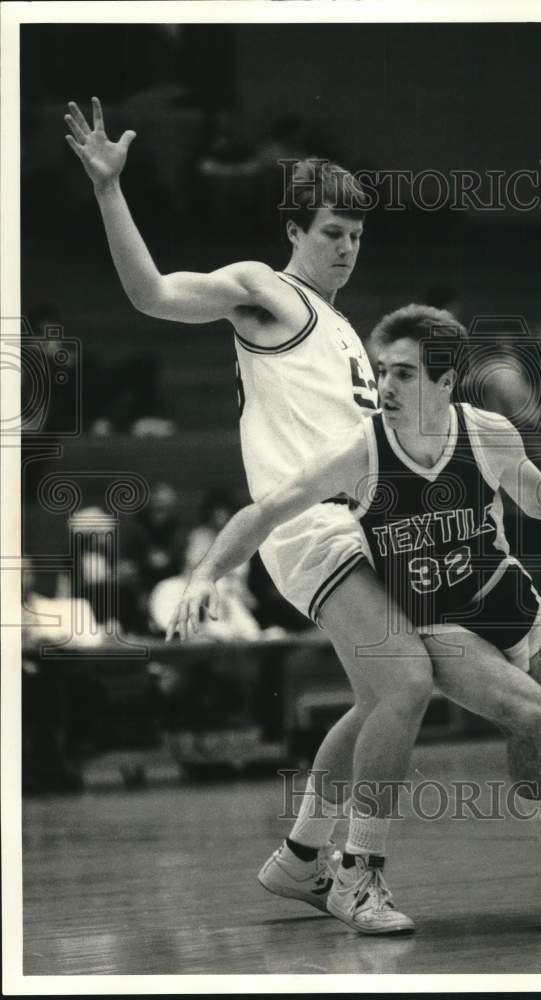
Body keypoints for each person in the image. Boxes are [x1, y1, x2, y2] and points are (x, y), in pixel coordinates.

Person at [167, 304, 541, 931]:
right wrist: (205, 573)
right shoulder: (360, 451)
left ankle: (537, 776)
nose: (386, 386)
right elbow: (267, 510)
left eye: (406, 375)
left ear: (445, 383)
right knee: (531, 713)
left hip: (513, 608)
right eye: (383, 371)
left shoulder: (488, 433)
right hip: (441, 627)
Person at [65, 98, 439, 935]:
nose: (346, 248)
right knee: (409, 682)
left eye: (356, 236)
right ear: (294, 230)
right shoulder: (265, 292)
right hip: (309, 530)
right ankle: (356, 875)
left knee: (374, 701)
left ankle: (300, 860)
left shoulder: (346, 330)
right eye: (332, 232)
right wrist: (109, 191)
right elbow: (154, 294)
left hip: (360, 526)